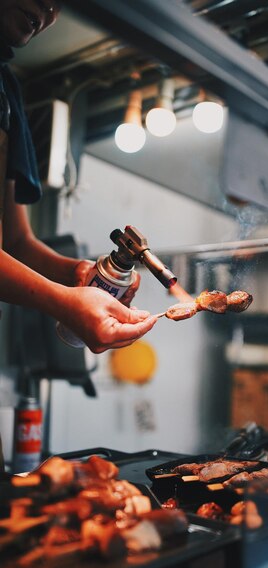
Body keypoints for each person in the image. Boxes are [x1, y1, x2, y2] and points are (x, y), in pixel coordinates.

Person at [0, 0, 158, 355]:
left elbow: (14, 240)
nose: (50, 10)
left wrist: (78, 273)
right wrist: (64, 302)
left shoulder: (6, 92)